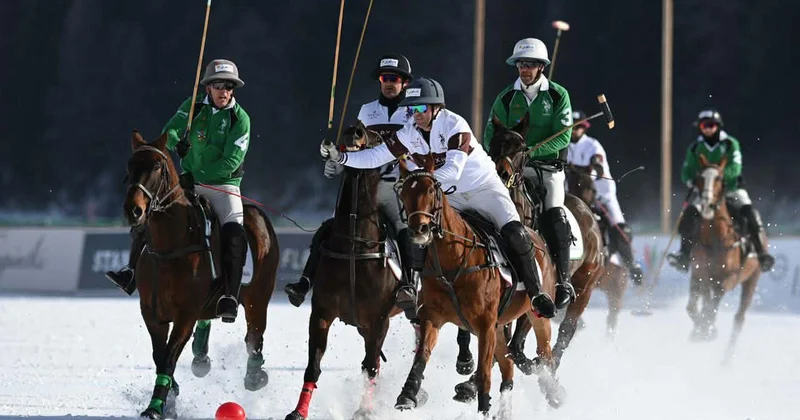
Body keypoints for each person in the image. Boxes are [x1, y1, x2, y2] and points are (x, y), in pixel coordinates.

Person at [321, 77, 559, 318]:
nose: (416, 114)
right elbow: (376, 156)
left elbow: (454, 171)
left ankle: (536, 293)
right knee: (420, 232)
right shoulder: (409, 132)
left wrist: (421, 181)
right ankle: (419, 291)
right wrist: (341, 158)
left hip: (484, 190)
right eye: (411, 109)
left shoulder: (455, 125)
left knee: (515, 233)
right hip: (449, 196)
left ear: (437, 109)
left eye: (422, 108)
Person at [106, 59, 251, 322]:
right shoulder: (192, 106)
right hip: (187, 182)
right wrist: (176, 142)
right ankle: (130, 270)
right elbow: (170, 131)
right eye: (218, 85)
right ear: (208, 88)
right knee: (151, 213)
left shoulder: (240, 119)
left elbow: (231, 160)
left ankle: (229, 295)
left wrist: (195, 175)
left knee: (233, 231)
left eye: (228, 86)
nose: (223, 91)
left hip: (224, 188)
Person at [284, 54, 423, 314]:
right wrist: (336, 161)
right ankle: (305, 281)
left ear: (404, 83)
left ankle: (407, 286)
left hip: (394, 186)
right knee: (331, 227)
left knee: (404, 230)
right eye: (385, 78)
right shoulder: (367, 111)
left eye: (394, 79)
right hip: (362, 187)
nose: (389, 83)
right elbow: (355, 146)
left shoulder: (413, 112)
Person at [482, 38, 575, 309]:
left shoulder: (558, 95)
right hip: (511, 167)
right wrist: (503, 155)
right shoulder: (506, 97)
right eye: (522, 64)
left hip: (546, 168)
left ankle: (564, 281)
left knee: (554, 212)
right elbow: (491, 133)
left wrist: (531, 152)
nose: (525, 69)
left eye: (531, 64)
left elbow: (564, 136)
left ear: (542, 67)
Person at [668, 109, 775, 272]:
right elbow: (687, 170)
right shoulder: (695, 147)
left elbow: (736, 167)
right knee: (689, 214)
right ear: (700, 127)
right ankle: (684, 255)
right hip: (706, 192)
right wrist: (690, 180)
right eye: (704, 125)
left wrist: (720, 177)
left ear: (717, 126)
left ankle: (761, 254)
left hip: (731, 189)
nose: (708, 128)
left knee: (750, 212)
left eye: (711, 125)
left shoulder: (730, 144)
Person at [567, 109, 644, 284]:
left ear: (584, 128)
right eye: (571, 127)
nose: (574, 130)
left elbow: (598, 161)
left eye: (578, 127)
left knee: (619, 228)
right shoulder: (563, 146)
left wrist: (595, 165)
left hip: (599, 194)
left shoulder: (592, 145)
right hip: (572, 195)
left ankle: (632, 265)